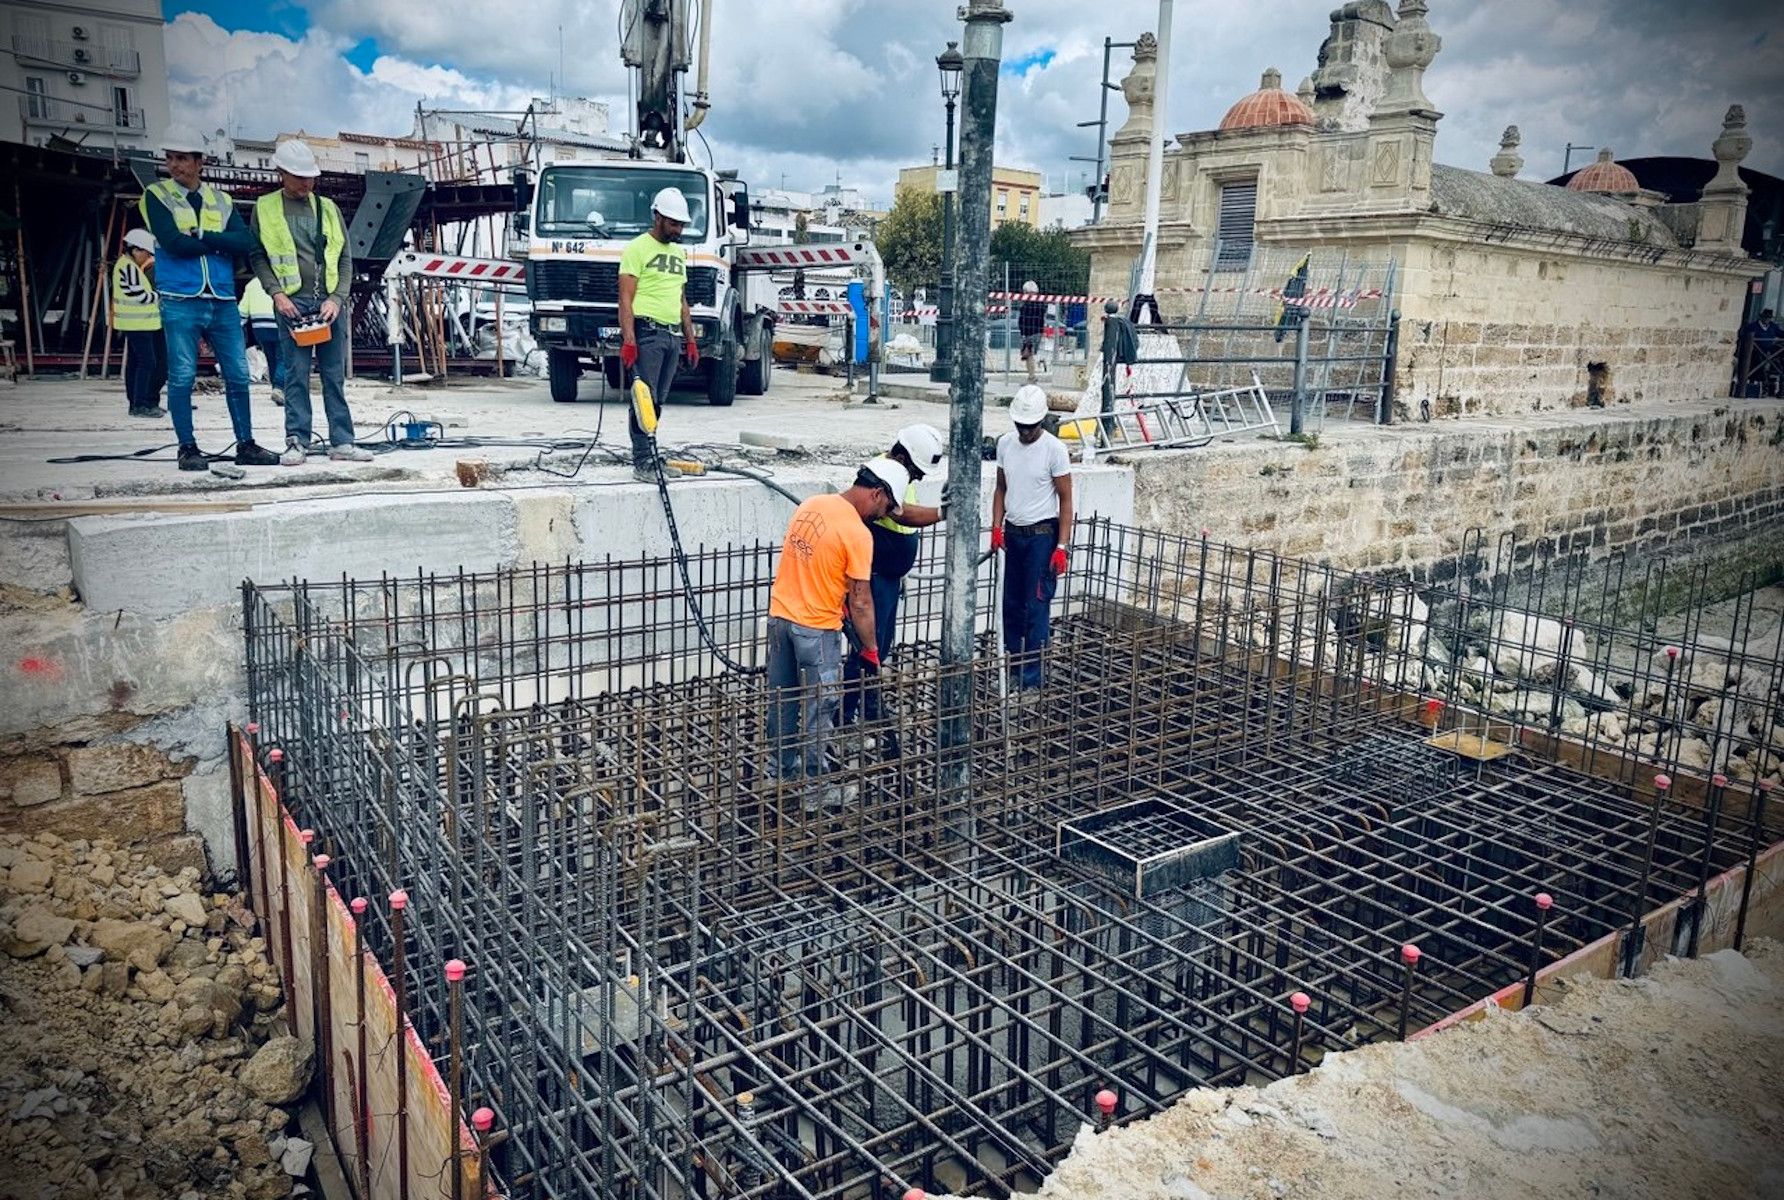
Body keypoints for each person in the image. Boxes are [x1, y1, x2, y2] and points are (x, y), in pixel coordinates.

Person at [765, 458, 906, 810]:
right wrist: (871, 648)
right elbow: (860, 601)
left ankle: (778, 775)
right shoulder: (859, 533)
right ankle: (816, 792)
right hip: (817, 630)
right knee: (819, 709)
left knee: (782, 703)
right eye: (887, 507)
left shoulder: (813, 504)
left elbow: (813, 565)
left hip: (780, 619)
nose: (884, 515)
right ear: (877, 493)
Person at [140, 124, 279, 471]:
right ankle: (187, 447)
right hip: (180, 297)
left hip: (221, 298)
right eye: (170, 158)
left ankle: (246, 443)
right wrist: (219, 242)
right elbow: (173, 242)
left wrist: (201, 235)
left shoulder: (222, 200)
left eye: (182, 158)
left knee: (236, 373)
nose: (175, 165)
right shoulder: (157, 196)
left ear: (199, 162)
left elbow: (245, 242)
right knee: (183, 375)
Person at [250, 140, 372, 466]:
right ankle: (296, 441)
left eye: (310, 177)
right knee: (295, 375)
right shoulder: (265, 208)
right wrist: (276, 294)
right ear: (281, 173)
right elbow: (257, 256)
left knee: (334, 376)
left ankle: (342, 442)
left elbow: (345, 259)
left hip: (328, 305)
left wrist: (337, 298)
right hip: (292, 305)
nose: (307, 184)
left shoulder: (328, 209)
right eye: (299, 177)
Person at [841, 425, 947, 732]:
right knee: (866, 646)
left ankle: (869, 704)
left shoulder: (899, 472)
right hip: (873, 576)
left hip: (888, 575)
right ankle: (848, 714)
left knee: (880, 645)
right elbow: (901, 514)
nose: (916, 478)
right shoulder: (881, 477)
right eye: (914, 470)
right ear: (901, 456)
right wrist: (942, 513)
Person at [991, 384, 1074, 695]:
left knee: (1035, 607)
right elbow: (1001, 489)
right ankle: (1012, 669)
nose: (1024, 432)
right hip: (1014, 534)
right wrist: (996, 526)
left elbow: (1066, 499)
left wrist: (1061, 547)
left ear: (1041, 421)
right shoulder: (1005, 445)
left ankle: (1031, 679)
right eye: (1020, 426)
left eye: (1030, 426)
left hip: (1042, 537)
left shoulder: (1054, 450)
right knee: (1011, 605)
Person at [619, 186, 700, 482]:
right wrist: (629, 340)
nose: (679, 229)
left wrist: (690, 339)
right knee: (643, 400)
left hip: (671, 335)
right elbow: (625, 297)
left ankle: (651, 454)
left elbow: (681, 300)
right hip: (647, 331)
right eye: (673, 223)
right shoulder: (637, 248)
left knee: (658, 401)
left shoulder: (678, 253)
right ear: (658, 217)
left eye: (681, 224)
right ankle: (642, 462)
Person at [111, 228, 165, 418]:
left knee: (136, 363)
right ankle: (140, 404)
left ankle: (136, 403)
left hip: (138, 324)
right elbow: (139, 295)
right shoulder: (128, 267)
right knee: (147, 363)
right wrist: (159, 296)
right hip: (137, 324)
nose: (147, 257)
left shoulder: (127, 266)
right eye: (146, 252)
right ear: (135, 249)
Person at [238, 278, 282, 406]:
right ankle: (279, 387)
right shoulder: (281, 281)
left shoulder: (251, 284)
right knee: (284, 358)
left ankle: (276, 387)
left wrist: (236, 327)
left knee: (271, 358)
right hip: (279, 324)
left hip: (260, 328)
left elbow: (243, 311)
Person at [1741, 308, 1782, 397]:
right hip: (1755, 352)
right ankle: (1759, 387)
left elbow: (1781, 333)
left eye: (1769, 318)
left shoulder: (1773, 326)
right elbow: (1745, 337)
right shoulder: (1752, 326)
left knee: (1779, 360)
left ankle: (1780, 390)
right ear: (1762, 317)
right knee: (1758, 361)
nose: (1767, 320)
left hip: (1769, 353)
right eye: (1766, 317)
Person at [1017, 279, 1048, 383]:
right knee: (1029, 354)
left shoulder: (1027, 305)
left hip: (1030, 332)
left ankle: (1032, 377)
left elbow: (1024, 319)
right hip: (1035, 332)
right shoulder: (1041, 304)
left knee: (1028, 354)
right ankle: (1031, 376)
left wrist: (1024, 334)